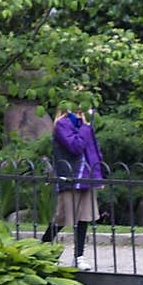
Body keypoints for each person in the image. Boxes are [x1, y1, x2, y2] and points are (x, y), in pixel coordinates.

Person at [41, 94, 104, 269]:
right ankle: (42, 247)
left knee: (84, 217)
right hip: (70, 177)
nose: (80, 110)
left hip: (86, 177)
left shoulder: (86, 125)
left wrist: (98, 176)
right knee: (62, 217)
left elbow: (93, 151)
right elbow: (75, 146)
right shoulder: (62, 125)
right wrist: (85, 127)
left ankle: (79, 255)